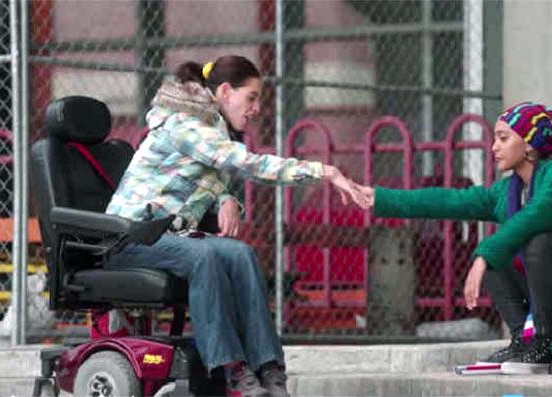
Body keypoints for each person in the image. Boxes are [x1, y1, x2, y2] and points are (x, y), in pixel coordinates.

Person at [105, 55, 367, 397]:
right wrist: (324, 172)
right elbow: (241, 163)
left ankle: (269, 369)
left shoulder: (211, 128)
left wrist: (229, 198)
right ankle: (232, 369)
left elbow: (205, 176)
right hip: (128, 238)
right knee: (205, 257)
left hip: (167, 236)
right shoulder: (185, 124)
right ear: (225, 91)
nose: (256, 108)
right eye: (252, 98)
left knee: (240, 253)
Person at [356, 101, 552, 373]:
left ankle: (542, 344)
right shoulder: (510, 190)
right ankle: (525, 341)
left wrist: (485, 255)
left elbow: (537, 215)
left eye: (503, 138)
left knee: (537, 243)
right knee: (502, 255)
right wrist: (380, 198)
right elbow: (451, 200)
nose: (494, 147)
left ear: (530, 145)